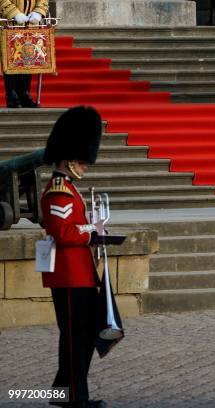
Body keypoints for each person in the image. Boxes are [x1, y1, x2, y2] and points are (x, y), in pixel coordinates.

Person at [41, 106, 107, 408]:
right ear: (68, 159)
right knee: (74, 338)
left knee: (82, 335)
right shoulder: (58, 190)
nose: (85, 166)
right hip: (68, 275)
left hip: (80, 273)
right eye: (82, 161)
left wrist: (93, 227)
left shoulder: (69, 188)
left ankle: (62, 391)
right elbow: (64, 233)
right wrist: (90, 230)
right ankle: (75, 397)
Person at [1, 0, 48, 108]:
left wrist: (39, 11)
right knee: (12, 57)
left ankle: (24, 93)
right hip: (9, 22)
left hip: (30, 23)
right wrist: (14, 13)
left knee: (28, 57)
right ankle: (11, 95)